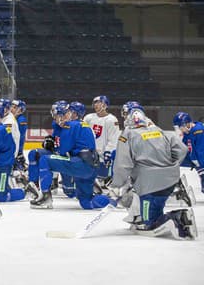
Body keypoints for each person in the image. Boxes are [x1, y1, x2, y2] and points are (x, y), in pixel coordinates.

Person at [109, 107, 196, 240]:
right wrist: (170, 164)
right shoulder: (158, 130)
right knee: (156, 207)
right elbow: (182, 149)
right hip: (170, 182)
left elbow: (122, 164)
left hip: (149, 186)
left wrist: (117, 184)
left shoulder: (127, 134)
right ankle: (176, 221)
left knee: (148, 223)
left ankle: (177, 218)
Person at [31, 101, 111, 209]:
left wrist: (52, 145)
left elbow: (62, 151)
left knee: (45, 160)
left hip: (80, 164)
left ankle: (46, 197)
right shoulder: (80, 124)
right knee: (86, 202)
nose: (56, 119)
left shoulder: (70, 126)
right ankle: (113, 200)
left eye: (58, 116)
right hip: (91, 166)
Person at [83, 95, 120, 185]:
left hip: (102, 156)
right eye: (95, 103)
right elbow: (82, 134)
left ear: (105, 105)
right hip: (89, 153)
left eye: (99, 103)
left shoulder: (112, 120)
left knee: (101, 182)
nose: (96, 105)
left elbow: (113, 139)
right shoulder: (88, 118)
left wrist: (108, 152)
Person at [173, 111, 204, 194]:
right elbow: (184, 148)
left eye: (180, 127)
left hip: (200, 161)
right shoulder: (187, 132)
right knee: (172, 160)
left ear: (186, 124)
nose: (180, 129)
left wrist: (200, 168)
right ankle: (174, 184)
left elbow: (201, 152)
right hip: (195, 160)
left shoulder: (199, 131)